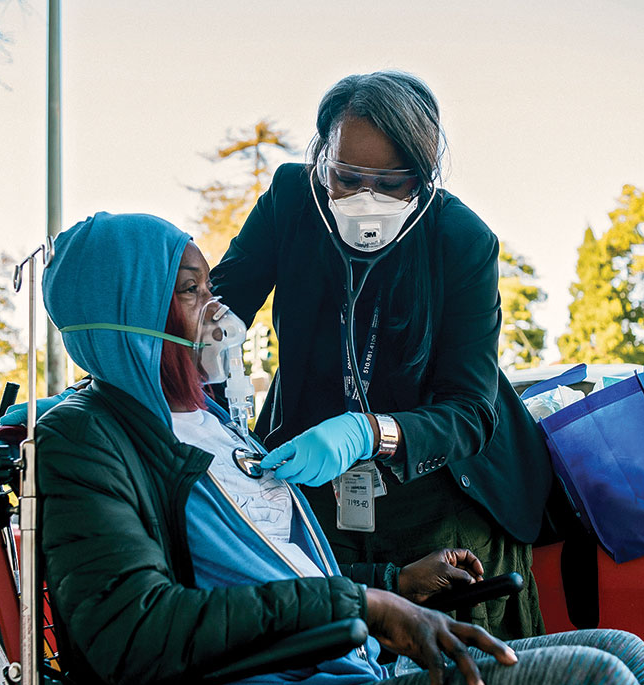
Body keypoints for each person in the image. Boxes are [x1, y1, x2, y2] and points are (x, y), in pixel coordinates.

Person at [34, 211, 644, 685]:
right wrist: (363, 605)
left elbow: (269, 577)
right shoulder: (88, 438)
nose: (217, 312)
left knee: (625, 652)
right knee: (594, 683)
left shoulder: (209, 424)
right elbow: (136, 632)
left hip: (340, 659)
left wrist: (393, 583)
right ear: (131, 308)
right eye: (193, 291)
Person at [210, 71, 551, 640]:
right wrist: (188, 355)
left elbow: (471, 411)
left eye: (392, 183)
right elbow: (220, 304)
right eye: (346, 177)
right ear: (322, 159)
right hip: (315, 476)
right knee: (328, 632)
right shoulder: (293, 201)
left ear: (423, 176)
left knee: (447, 649)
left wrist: (368, 433)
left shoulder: (461, 240)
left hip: (445, 487)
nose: (366, 198)